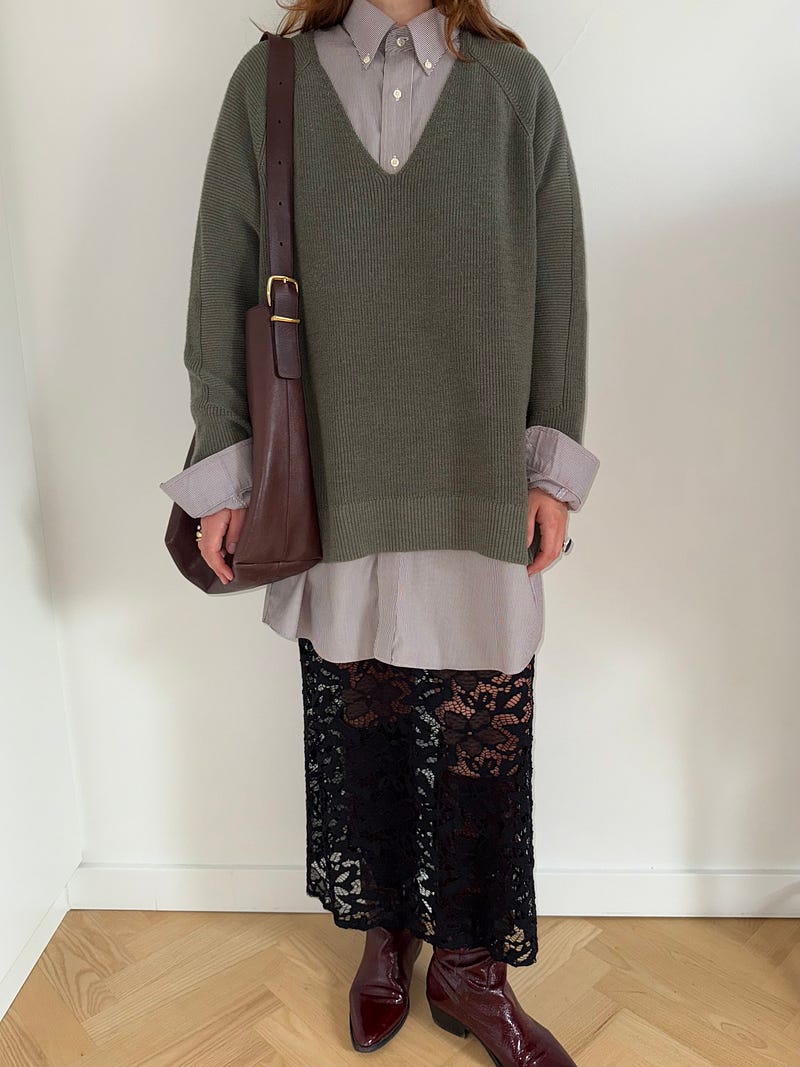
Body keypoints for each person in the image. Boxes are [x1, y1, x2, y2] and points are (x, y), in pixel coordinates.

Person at [160, 2, 600, 1064]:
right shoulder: (271, 81)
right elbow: (221, 281)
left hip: (475, 467)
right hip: (331, 470)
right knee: (363, 718)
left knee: (482, 734)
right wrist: (225, 471)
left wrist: (551, 466)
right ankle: (386, 929)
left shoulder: (513, 90)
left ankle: (468, 964)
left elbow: (559, 288)